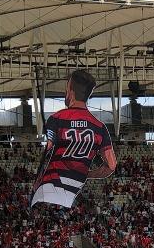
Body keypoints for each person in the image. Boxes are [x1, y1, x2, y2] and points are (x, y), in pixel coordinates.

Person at [31, 69, 117, 209]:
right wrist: (87, 174)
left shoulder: (57, 119)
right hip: (75, 189)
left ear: (70, 91)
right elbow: (111, 165)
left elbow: (48, 153)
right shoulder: (99, 127)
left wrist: (37, 181)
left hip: (50, 187)